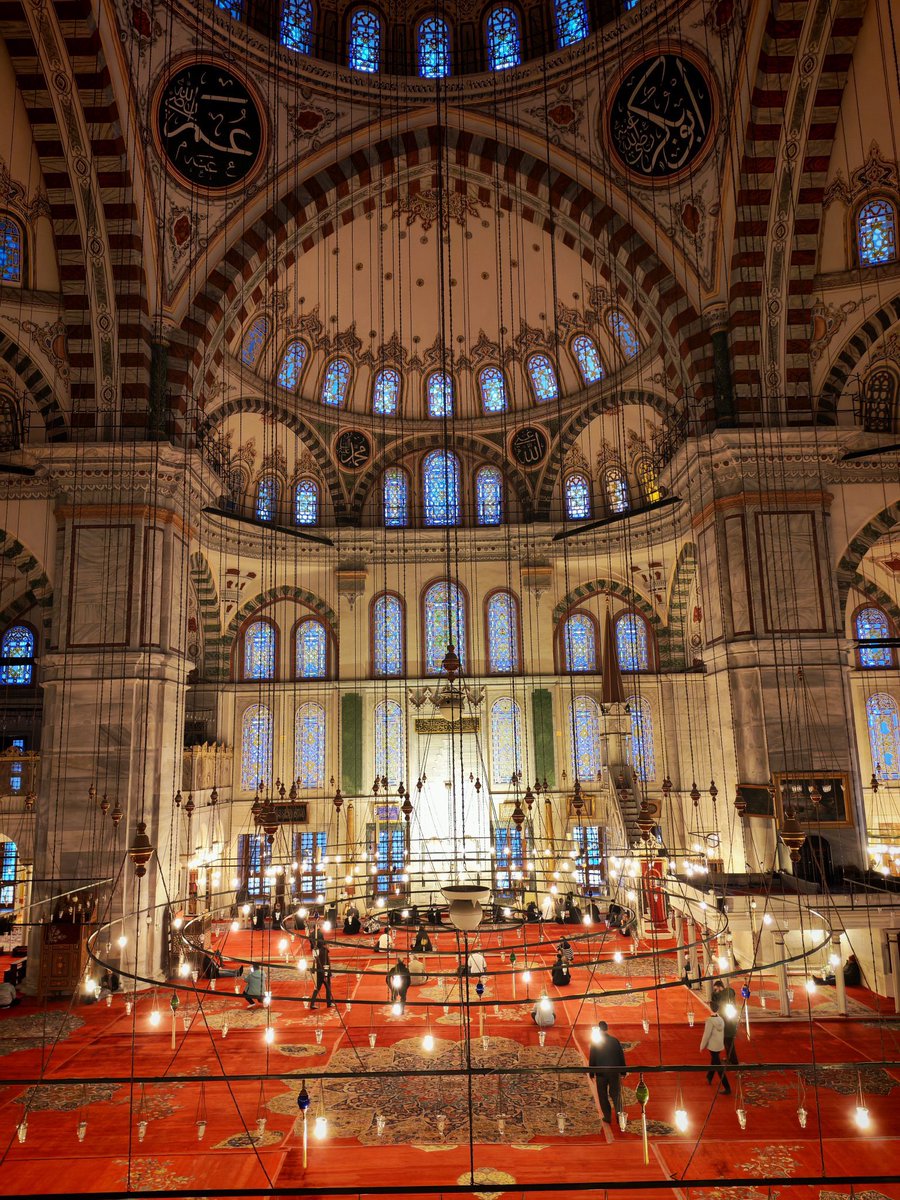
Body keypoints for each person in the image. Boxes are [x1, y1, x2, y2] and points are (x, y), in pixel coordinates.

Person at [589, 1021, 627, 1124]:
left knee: (602, 1095)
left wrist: (591, 1073)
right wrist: (623, 1071)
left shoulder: (595, 1042)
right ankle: (620, 1117)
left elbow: (592, 1058)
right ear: (607, 1029)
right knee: (616, 1095)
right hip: (614, 1072)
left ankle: (607, 1116)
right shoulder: (615, 1041)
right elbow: (620, 1055)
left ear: (599, 1030)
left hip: (601, 1072)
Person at [699, 1002, 731, 1093]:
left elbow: (706, 1035)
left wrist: (702, 1046)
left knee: (718, 1066)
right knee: (714, 1060)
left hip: (713, 1046)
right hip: (719, 1045)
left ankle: (727, 1087)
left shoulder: (710, 1020)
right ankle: (709, 1076)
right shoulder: (721, 1019)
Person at [309, 940, 334, 1009]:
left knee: (317, 988)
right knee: (328, 988)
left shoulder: (319, 951)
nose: (329, 947)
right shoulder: (325, 952)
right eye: (328, 945)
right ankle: (329, 1003)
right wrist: (325, 974)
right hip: (324, 973)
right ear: (324, 945)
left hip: (319, 973)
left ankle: (312, 1004)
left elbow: (316, 961)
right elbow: (325, 964)